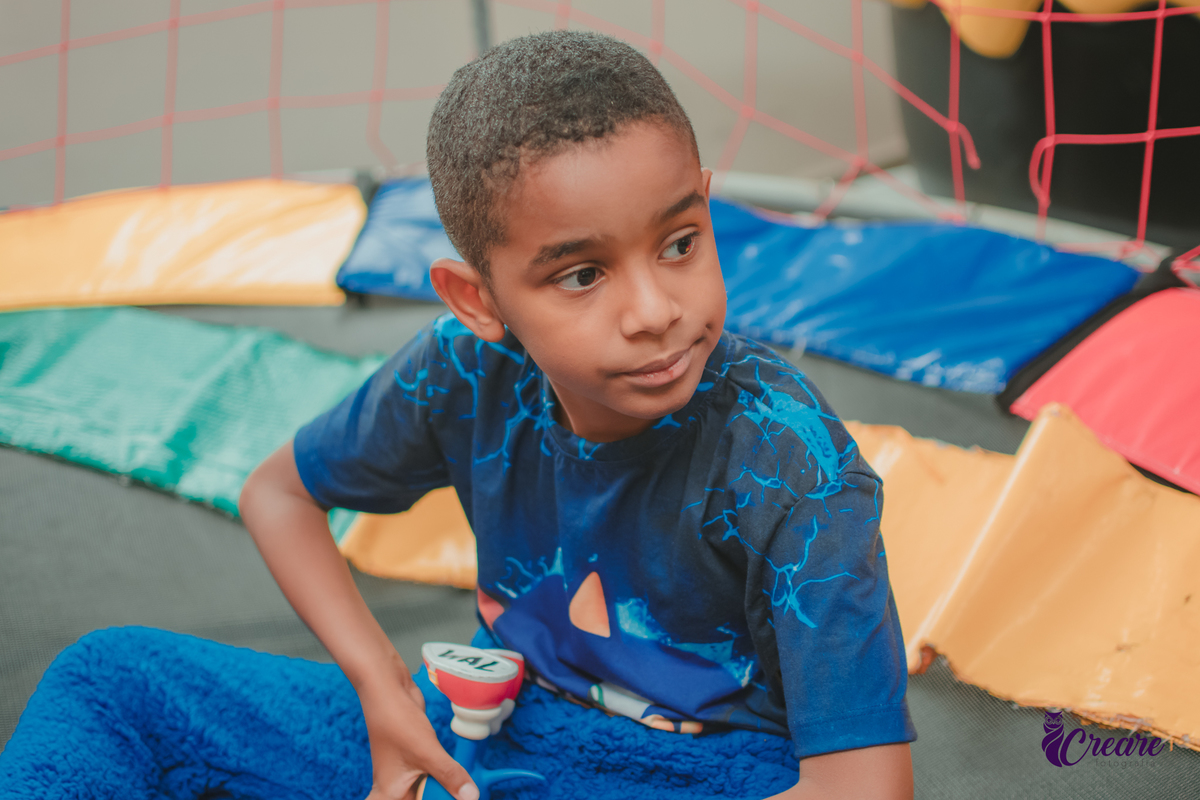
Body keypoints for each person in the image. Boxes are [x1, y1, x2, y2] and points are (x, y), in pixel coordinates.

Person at [239, 30, 916, 800]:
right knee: (115, 677)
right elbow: (278, 494)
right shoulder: (464, 367)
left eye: (680, 242)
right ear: (478, 301)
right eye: (584, 274)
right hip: (498, 728)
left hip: (711, 770)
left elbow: (867, 787)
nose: (656, 312)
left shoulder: (790, 459)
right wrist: (382, 691)